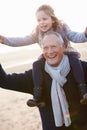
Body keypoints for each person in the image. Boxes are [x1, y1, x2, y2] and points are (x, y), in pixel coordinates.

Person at [0, 4, 87, 107]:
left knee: (75, 62)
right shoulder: (37, 33)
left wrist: (85, 34)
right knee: (36, 65)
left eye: (44, 19)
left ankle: (83, 91)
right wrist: (4, 40)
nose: (41, 22)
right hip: (47, 59)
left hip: (68, 54)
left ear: (53, 19)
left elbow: (75, 36)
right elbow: (22, 40)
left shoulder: (62, 28)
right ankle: (38, 97)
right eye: (39, 20)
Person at [0, 31, 87, 130]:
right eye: (45, 48)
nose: (49, 51)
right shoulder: (35, 75)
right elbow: (4, 81)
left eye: (53, 46)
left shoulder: (81, 68)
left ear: (63, 46)